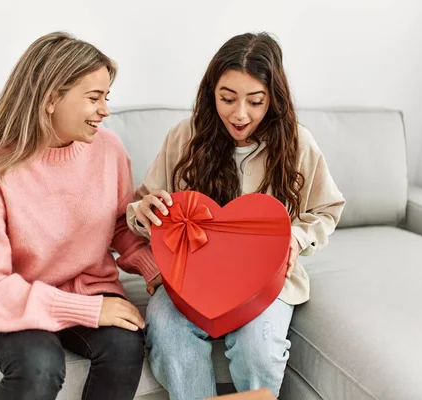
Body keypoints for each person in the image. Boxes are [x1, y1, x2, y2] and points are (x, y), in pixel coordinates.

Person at [127, 32, 346, 399]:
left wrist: (294, 238)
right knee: (166, 329)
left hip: (266, 275)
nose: (240, 114)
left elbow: (326, 209)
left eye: (255, 101)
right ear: (211, 93)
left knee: (257, 346)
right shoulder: (185, 137)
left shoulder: (297, 144)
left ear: (273, 100)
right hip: (189, 274)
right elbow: (144, 206)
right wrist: (144, 212)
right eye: (227, 99)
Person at [0, 31, 161, 400]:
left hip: (87, 286)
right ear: (50, 99)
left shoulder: (108, 150)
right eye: (94, 98)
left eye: (106, 97)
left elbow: (118, 224)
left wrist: (155, 268)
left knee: (126, 347)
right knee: (39, 366)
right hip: (10, 296)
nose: (105, 110)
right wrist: (88, 311)